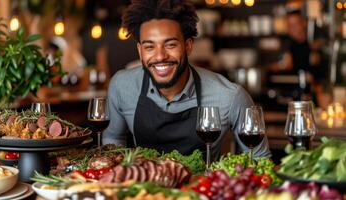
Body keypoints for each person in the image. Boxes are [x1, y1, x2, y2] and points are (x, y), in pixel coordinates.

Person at [103, 0, 270, 160]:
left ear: (188, 46)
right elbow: (113, 137)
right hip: (144, 189)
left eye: (170, 45)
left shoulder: (230, 96)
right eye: (149, 47)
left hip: (202, 188)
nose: (160, 56)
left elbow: (259, 159)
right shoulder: (122, 86)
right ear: (140, 51)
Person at [270, 9, 326, 103]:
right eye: (289, 25)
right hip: (291, 96)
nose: (292, 28)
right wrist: (281, 65)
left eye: (295, 24)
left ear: (303, 23)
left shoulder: (315, 44)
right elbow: (275, 67)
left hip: (314, 96)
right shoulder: (287, 44)